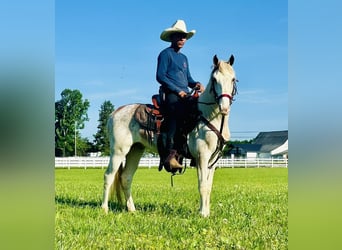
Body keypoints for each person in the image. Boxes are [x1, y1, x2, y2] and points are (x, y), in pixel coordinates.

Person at [156, 20, 205, 171]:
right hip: (171, 94)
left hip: (185, 94)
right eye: (179, 36)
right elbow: (160, 76)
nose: (182, 39)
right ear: (172, 38)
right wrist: (178, 91)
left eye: (184, 37)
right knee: (176, 116)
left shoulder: (184, 58)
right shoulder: (165, 54)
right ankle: (170, 156)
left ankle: (194, 152)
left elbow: (188, 79)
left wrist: (196, 84)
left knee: (198, 113)